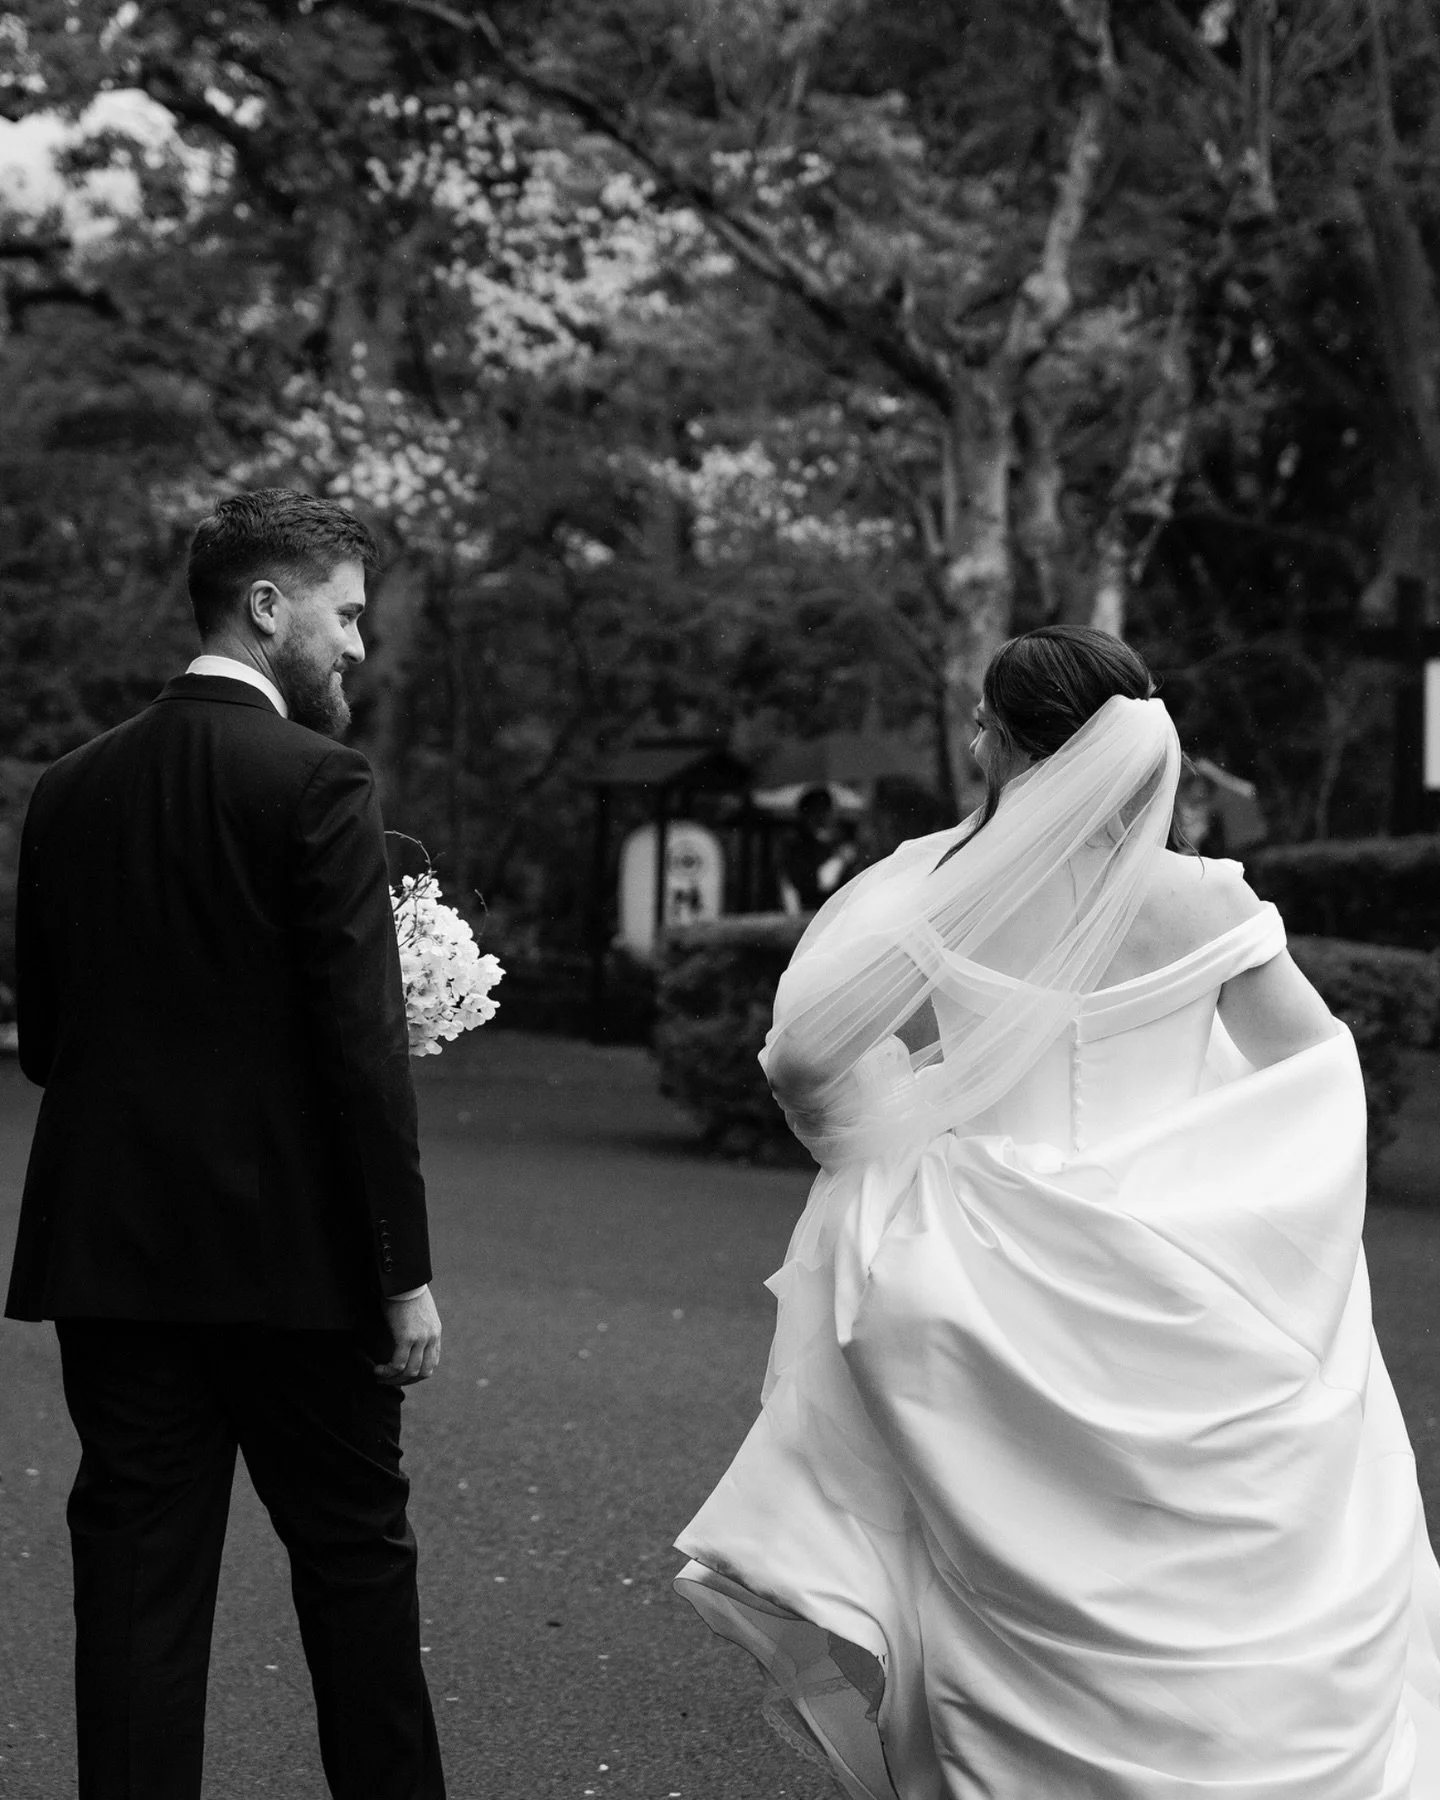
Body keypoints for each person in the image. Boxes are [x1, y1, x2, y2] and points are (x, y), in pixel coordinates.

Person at [675, 624, 1440, 1798]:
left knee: (988, 1555)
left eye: (984, 723)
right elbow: (1313, 1065)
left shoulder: (946, 893)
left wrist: (882, 1136)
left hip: (978, 1264)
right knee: (1199, 1550)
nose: (976, 741)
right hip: (1177, 1260)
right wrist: (1239, 1203)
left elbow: (805, 1059)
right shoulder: (1204, 897)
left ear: (1012, 742)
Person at [5, 488, 447, 1800]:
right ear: (266, 607)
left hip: (115, 1259)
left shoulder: (70, 789)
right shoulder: (318, 780)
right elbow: (361, 1055)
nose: (358, 645)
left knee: (136, 1583)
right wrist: (404, 1274)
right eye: (344, 615)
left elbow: (47, 1042)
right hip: (298, 1270)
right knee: (355, 1569)